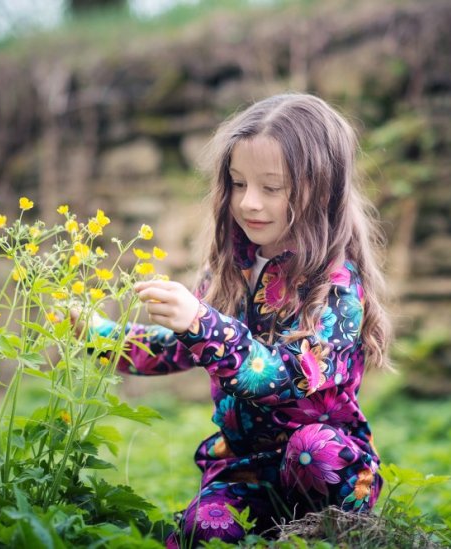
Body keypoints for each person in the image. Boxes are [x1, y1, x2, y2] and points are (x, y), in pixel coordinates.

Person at [90, 93, 392, 546]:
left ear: (322, 189)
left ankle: (333, 535)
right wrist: (100, 336)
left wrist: (203, 324)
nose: (250, 202)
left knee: (314, 451)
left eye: (272, 188)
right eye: (237, 183)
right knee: (201, 531)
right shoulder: (230, 269)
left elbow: (286, 377)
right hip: (242, 466)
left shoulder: (336, 286)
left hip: (327, 471)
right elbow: (179, 347)